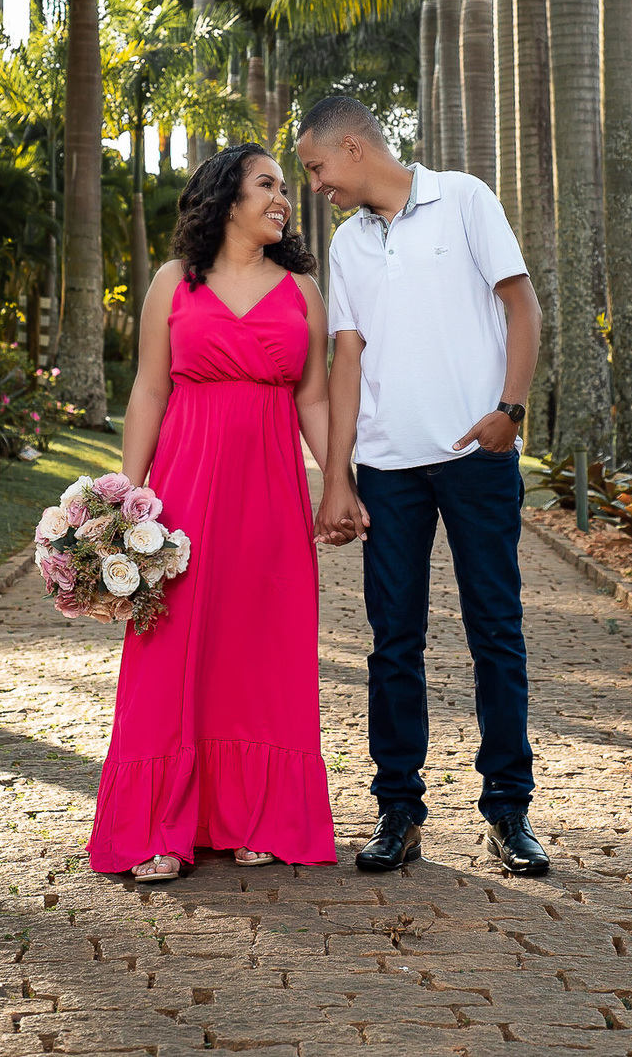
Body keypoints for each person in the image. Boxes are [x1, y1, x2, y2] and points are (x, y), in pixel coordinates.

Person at [296, 96, 548, 877]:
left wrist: (510, 410)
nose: (314, 186)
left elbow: (522, 305)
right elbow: (347, 359)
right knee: (392, 643)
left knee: (495, 632)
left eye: (315, 168)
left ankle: (509, 812)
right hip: (387, 467)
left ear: (351, 146)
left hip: (475, 457)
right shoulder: (347, 244)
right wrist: (336, 474)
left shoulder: (464, 198)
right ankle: (397, 810)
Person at [87, 144, 337, 879]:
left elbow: (313, 399)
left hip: (271, 494)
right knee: (171, 648)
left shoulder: (301, 292)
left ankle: (256, 815)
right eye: (267, 184)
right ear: (228, 196)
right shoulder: (174, 282)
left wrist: (340, 486)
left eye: (286, 188)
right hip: (185, 494)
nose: (283, 198)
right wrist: (123, 504)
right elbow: (148, 392)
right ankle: (163, 829)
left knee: (263, 646)